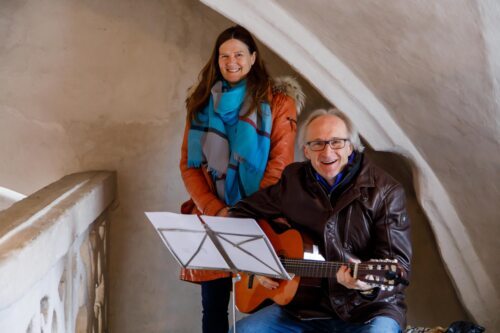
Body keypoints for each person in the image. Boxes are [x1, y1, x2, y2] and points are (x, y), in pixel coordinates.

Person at [229, 108, 412, 333]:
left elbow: (399, 268)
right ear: (306, 151)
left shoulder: (385, 191)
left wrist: (366, 288)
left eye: (336, 142)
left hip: (368, 310)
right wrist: (258, 262)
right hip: (303, 308)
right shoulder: (293, 181)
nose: (327, 152)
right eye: (317, 143)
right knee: (243, 331)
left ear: (351, 146)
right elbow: (239, 213)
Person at [179, 25, 304, 333]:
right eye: (224, 55)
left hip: (266, 217)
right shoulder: (201, 103)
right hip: (215, 218)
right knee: (214, 309)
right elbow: (189, 166)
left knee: (268, 304)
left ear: (252, 58)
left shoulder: (278, 102)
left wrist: (247, 213)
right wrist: (217, 210)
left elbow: (280, 166)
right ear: (216, 60)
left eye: (238, 54)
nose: (231, 61)